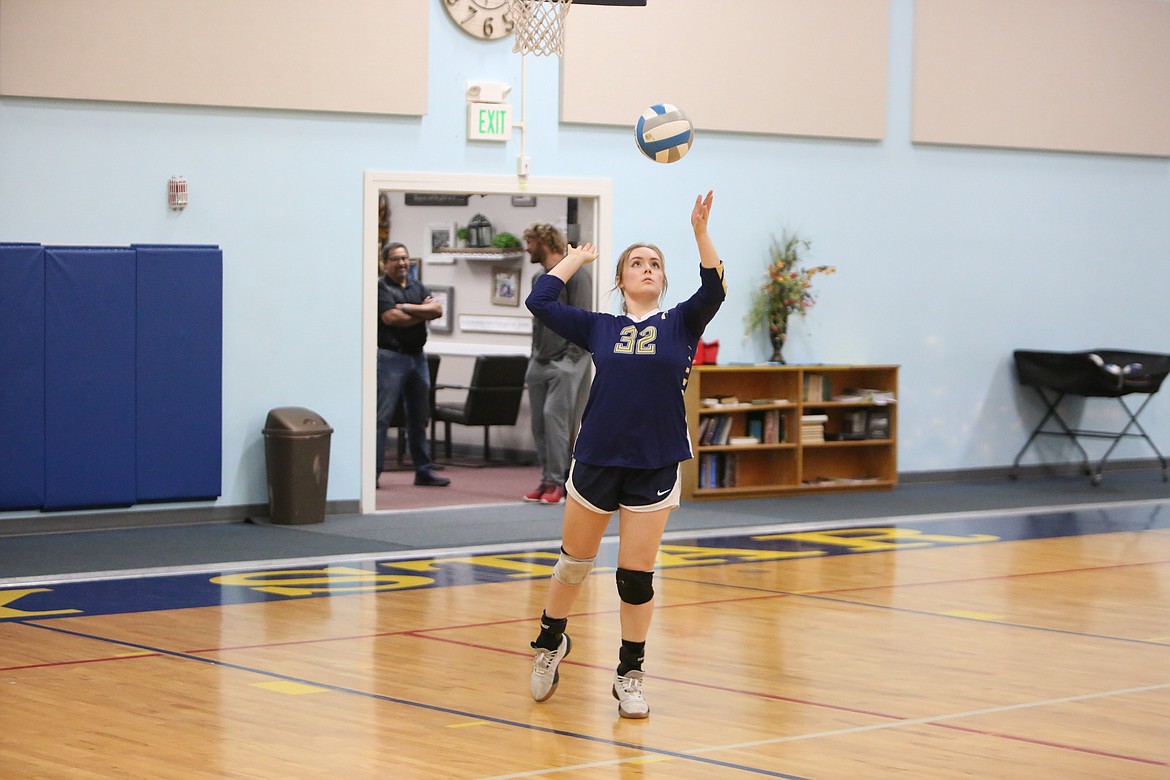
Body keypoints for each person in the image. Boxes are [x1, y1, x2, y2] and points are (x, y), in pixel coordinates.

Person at [524, 191, 725, 718]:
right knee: (573, 565)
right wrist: (574, 257)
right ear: (621, 280)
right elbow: (540, 303)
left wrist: (700, 232)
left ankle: (629, 673)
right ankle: (551, 642)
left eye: (655, 263)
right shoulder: (601, 327)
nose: (647, 268)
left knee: (635, 576)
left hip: (655, 462)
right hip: (596, 459)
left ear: (663, 279)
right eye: (637, 263)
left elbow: (715, 287)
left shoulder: (681, 323)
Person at [521, 223, 593, 505]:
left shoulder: (577, 275)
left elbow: (583, 317)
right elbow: (537, 322)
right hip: (539, 359)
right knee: (538, 423)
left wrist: (570, 360)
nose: (527, 248)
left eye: (530, 242)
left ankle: (560, 482)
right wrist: (534, 354)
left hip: (568, 361)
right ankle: (547, 479)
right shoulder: (539, 278)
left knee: (556, 420)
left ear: (544, 242)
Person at [376, 243, 450, 488]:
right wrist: (423, 312)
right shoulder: (381, 287)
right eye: (396, 259)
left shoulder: (417, 286)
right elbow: (390, 317)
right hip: (390, 358)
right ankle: (372, 473)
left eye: (405, 258)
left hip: (417, 358)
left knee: (419, 417)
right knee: (382, 418)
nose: (402, 263)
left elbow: (438, 310)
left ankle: (423, 470)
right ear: (385, 262)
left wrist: (407, 308)